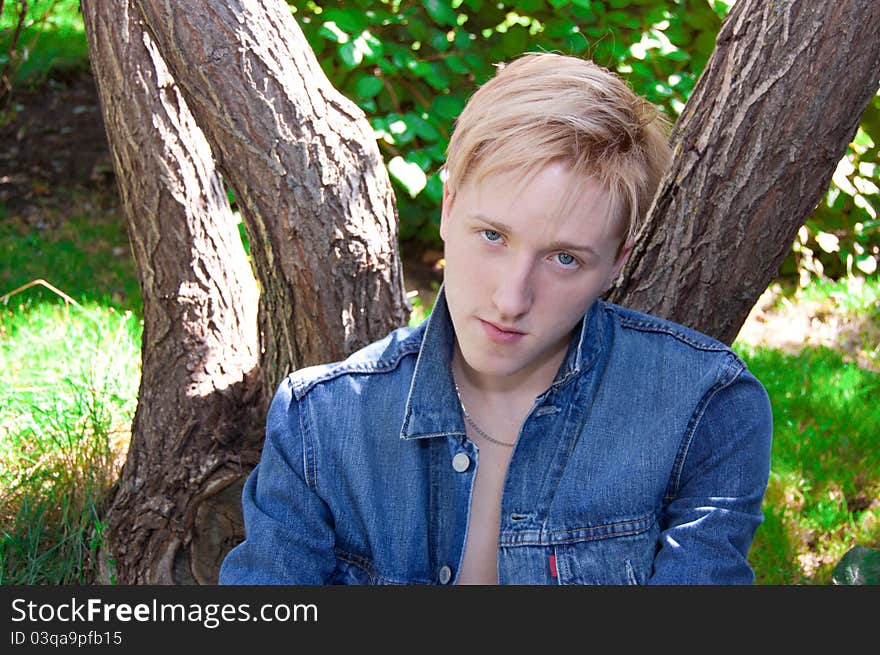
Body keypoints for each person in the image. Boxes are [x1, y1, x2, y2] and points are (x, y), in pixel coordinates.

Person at [219, 52, 773, 585]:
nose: (512, 299)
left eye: (564, 259)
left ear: (616, 263)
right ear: (447, 208)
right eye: (493, 236)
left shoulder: (705, 407)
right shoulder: (320, 422)